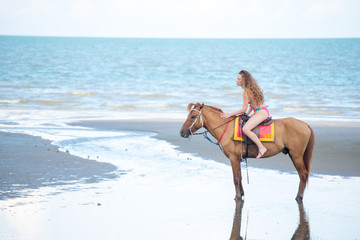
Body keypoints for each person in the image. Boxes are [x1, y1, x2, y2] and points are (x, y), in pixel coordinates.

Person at [220, 70, 270, 158]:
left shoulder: (245, 92)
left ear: (243, 81)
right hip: (261, 111)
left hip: (261, 113)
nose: (236, 80)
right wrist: (247, 114)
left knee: (245, 129)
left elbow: (243, 108)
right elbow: (252, 105)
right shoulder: (251, 89)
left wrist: (229, 114)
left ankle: (261, 148)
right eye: (237, 78)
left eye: (238, 79)